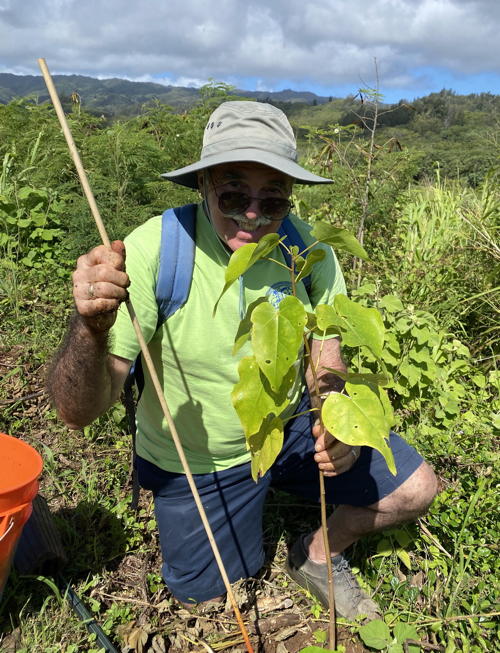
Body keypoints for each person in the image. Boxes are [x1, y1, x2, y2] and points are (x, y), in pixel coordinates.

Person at [47, 101, 437, 619]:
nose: (252, 215)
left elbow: (326, 356)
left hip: (288, 426)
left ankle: (317, 555)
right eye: (233, 194)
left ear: (289, 198)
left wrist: (334, 420)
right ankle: (239, 500)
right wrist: (91, 329)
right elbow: (78, 412)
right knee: (205, 598)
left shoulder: (306, 250)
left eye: (271, 199)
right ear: (204, 184)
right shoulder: (155, 250)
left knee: (415, 490)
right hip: (203, 457)